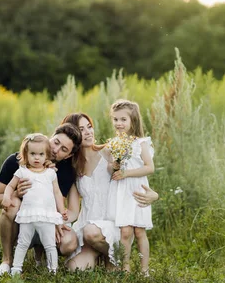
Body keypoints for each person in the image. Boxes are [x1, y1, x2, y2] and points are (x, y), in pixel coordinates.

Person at [61, 113, 159, 272]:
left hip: (114, 225)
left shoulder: (110, 152)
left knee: (91, 232)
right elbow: (73, 211)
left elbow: (134, 177)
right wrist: (58, 221)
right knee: (75, 269)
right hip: (87, 228)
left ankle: (116, 256)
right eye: (81, 129)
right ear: (72, 134)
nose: (88, 132)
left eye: (89, 127)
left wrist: (155, 195)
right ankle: (100, 255)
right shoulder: (73, 167)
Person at [0, 122, 82, 275]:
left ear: (69, 155)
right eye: (56, 142)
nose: (55, 150)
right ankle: (7, 261)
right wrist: (15, 194)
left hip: (46, 220)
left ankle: (45, 257)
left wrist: (58, 219)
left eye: (63, 149)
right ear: (51, 137)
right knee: (13, 204)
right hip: (22, 222)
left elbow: (58, 200)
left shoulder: (65, 172)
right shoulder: (16, 162)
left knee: (68, 242)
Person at [2, 133, 68, 276]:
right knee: (23, 243)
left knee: (50, 245)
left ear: (47, 156)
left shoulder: (51, 173)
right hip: (28, 215)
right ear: (26, 154)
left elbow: (57, 193)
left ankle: (52, 270)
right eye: (32, 154)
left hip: (47, 216)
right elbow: (9, 186)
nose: (37, 158)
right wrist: (7, 197)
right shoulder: (22, 171)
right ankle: (16, 268)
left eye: (41, 154)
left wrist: (61, 210)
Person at [106, 99, 154, 275]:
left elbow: (150, 167)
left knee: (140, 231)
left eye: (123, 119)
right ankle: (125, 268)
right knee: (125, 231)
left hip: (137, 189)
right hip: (122, 191)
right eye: (115, 119)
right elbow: (110, 167)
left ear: (133, 120)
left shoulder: (141, 143)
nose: (119, 123)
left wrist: (127, 173)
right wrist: (115, 165)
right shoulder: (114, 143)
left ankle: (144, 270)